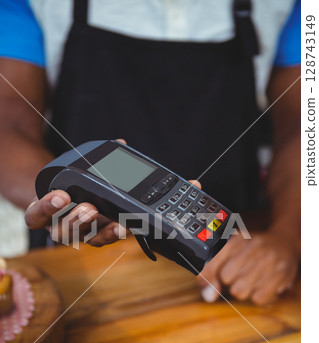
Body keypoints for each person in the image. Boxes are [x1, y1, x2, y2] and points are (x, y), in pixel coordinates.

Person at [0, 0, 301, 304]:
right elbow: (8, 125)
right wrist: (64, 197)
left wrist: (289, 236)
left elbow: (303, 127)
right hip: (78, 257)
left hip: (235, 248)